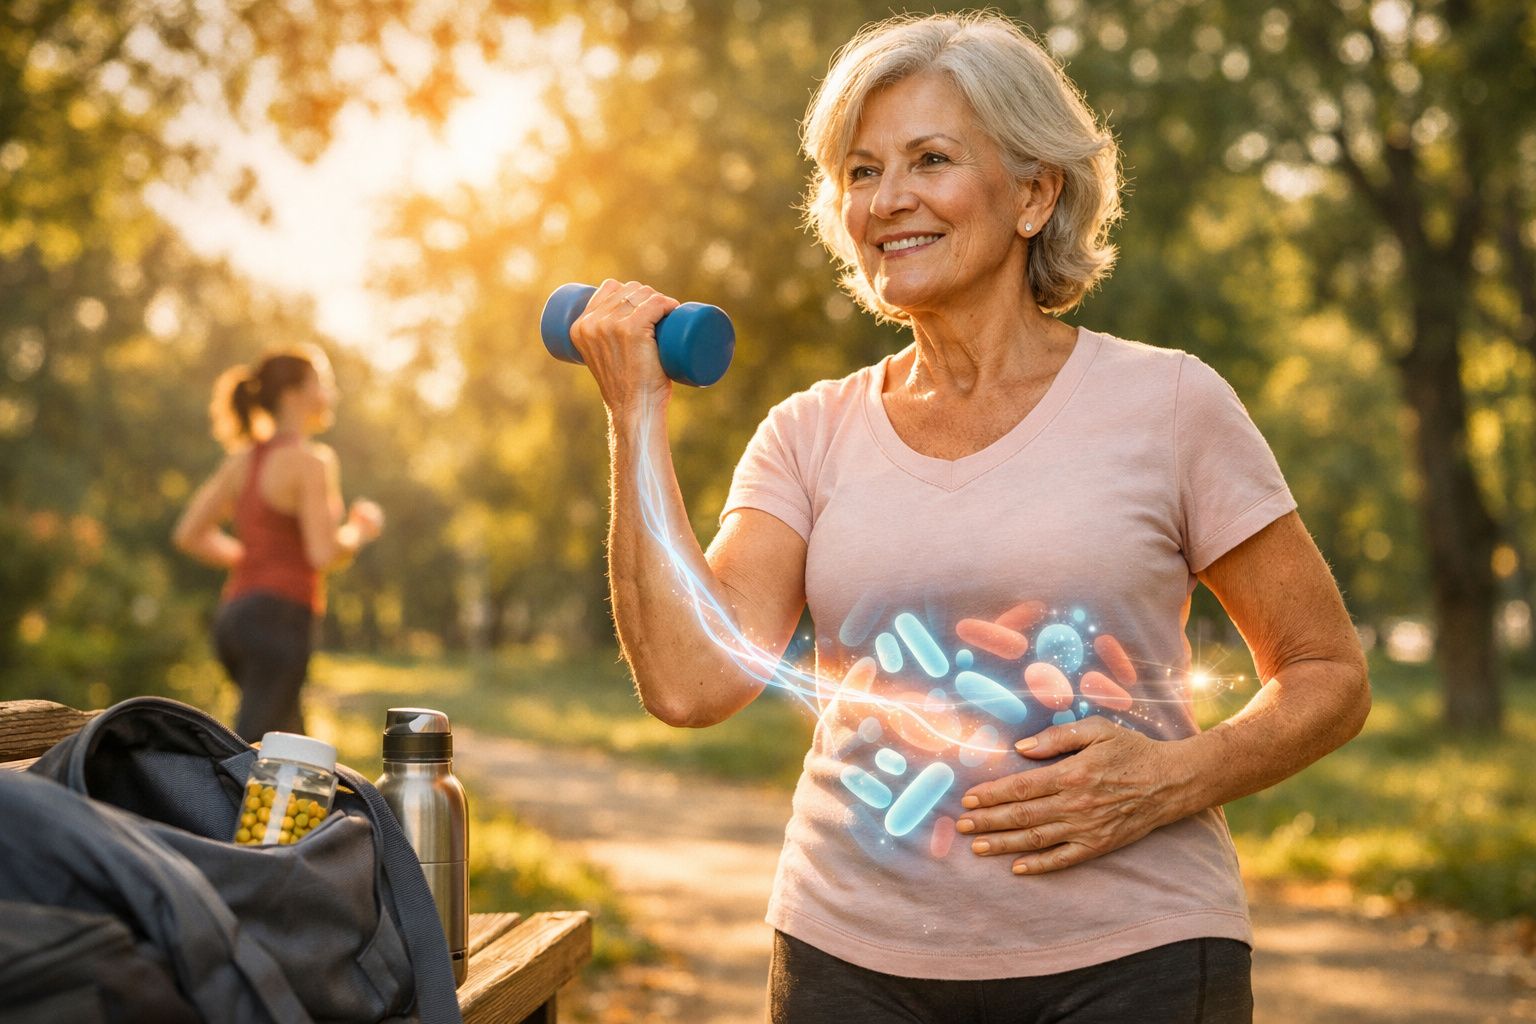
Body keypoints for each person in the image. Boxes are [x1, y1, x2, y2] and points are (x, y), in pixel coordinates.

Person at [572, 12, 1370, 1023]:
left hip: (1134, 958)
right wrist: (637, 414)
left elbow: (1327, 674)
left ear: (1035, 194)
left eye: (931, 160)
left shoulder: (1170, 403)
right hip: (851, 960)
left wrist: (1171, 779)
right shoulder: (807, 433)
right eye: (862, 172)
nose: (887, 200)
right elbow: (691, 683)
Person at [174, 345, 383, 742]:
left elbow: (189, 534)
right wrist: (360, 528)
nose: (330, 394)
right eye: (322, 383)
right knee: (255, 750)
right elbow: (322, 553)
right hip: (279, 621)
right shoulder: (310, 463)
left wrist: (252, 559)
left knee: (291, 745)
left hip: (235, 619)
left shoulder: (243, 461)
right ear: (292, 394)